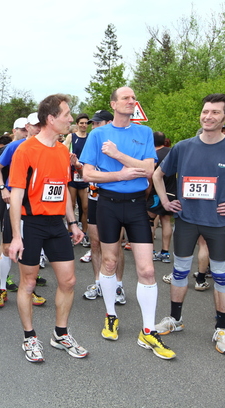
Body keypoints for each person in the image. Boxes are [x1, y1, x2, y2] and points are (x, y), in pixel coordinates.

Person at [153, 94, 225, 355]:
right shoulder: (183, 147)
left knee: (220, 275)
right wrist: (166, 201)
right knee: (180, 271)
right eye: (205, 111)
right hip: (186, 221)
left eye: (215, 112)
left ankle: (221, 329)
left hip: (218, 224)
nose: (208, 116)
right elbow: (157, 175)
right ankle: (175, 319)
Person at [80, 86, 176, 360]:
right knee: (109, 262)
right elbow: (87, 174)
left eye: (134, 98)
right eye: (126, 98)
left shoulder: (144, 133)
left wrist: (117, 156)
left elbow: (148, 170)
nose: (132, 101)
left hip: (136, 205)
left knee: (147, 269)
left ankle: (148, 330)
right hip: (108, 204)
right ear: (113, 104)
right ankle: (111, 316)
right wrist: (120, 175)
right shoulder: (98, 134)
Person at [7, 94, 87, 363]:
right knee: (29, 283)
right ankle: (29, 337)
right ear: (51, 119)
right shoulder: (25, 150)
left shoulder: (63, 151)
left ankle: (60, 334)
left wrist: (73, 223)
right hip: (31, 224)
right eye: (66, 114)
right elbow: (16, 196)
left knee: (69, 281)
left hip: (56, 224)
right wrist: (16, 236)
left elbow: (62, 190)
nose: (71, 119)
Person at [0, 115, 47, 307]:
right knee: (7, 247)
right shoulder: (14, 146)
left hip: (36, 206)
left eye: (41, 125)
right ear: (28, 127)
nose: (39, 129)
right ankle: (2, 289)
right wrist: (3, 188)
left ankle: (29, 289)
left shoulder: (48, 147)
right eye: (35, 125)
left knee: (31, 248)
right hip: (14, 204)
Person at [80, 110, 126, 306]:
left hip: (116, 200)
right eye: (93, 123)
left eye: (97, 123)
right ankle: (98, 283)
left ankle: (118, 285)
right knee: (95, 243)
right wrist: (77, 166)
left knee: (115, 245)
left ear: (108, 123)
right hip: (94, 198)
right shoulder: (92, 141)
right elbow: (86, 171)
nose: (93, 127)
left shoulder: (119, 142)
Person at [148, 131, 176, 266]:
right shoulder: (173, 153)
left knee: (149, 220)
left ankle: (151, 251)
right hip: (172, 192)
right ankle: (165, 252)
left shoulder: (153, 155)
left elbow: (151, 176)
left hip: (156, 192)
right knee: (166, 221)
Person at [68, 113, 90, 247]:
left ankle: (85, 233)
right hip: (72, 175)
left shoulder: (90, 137)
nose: (84, 125)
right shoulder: (71, 136)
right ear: (77, 124)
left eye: (86, 123)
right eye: (81, 123)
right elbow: (63, 150)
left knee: (86, 207)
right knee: (71, 205)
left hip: (85, 175)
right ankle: (70, 232)